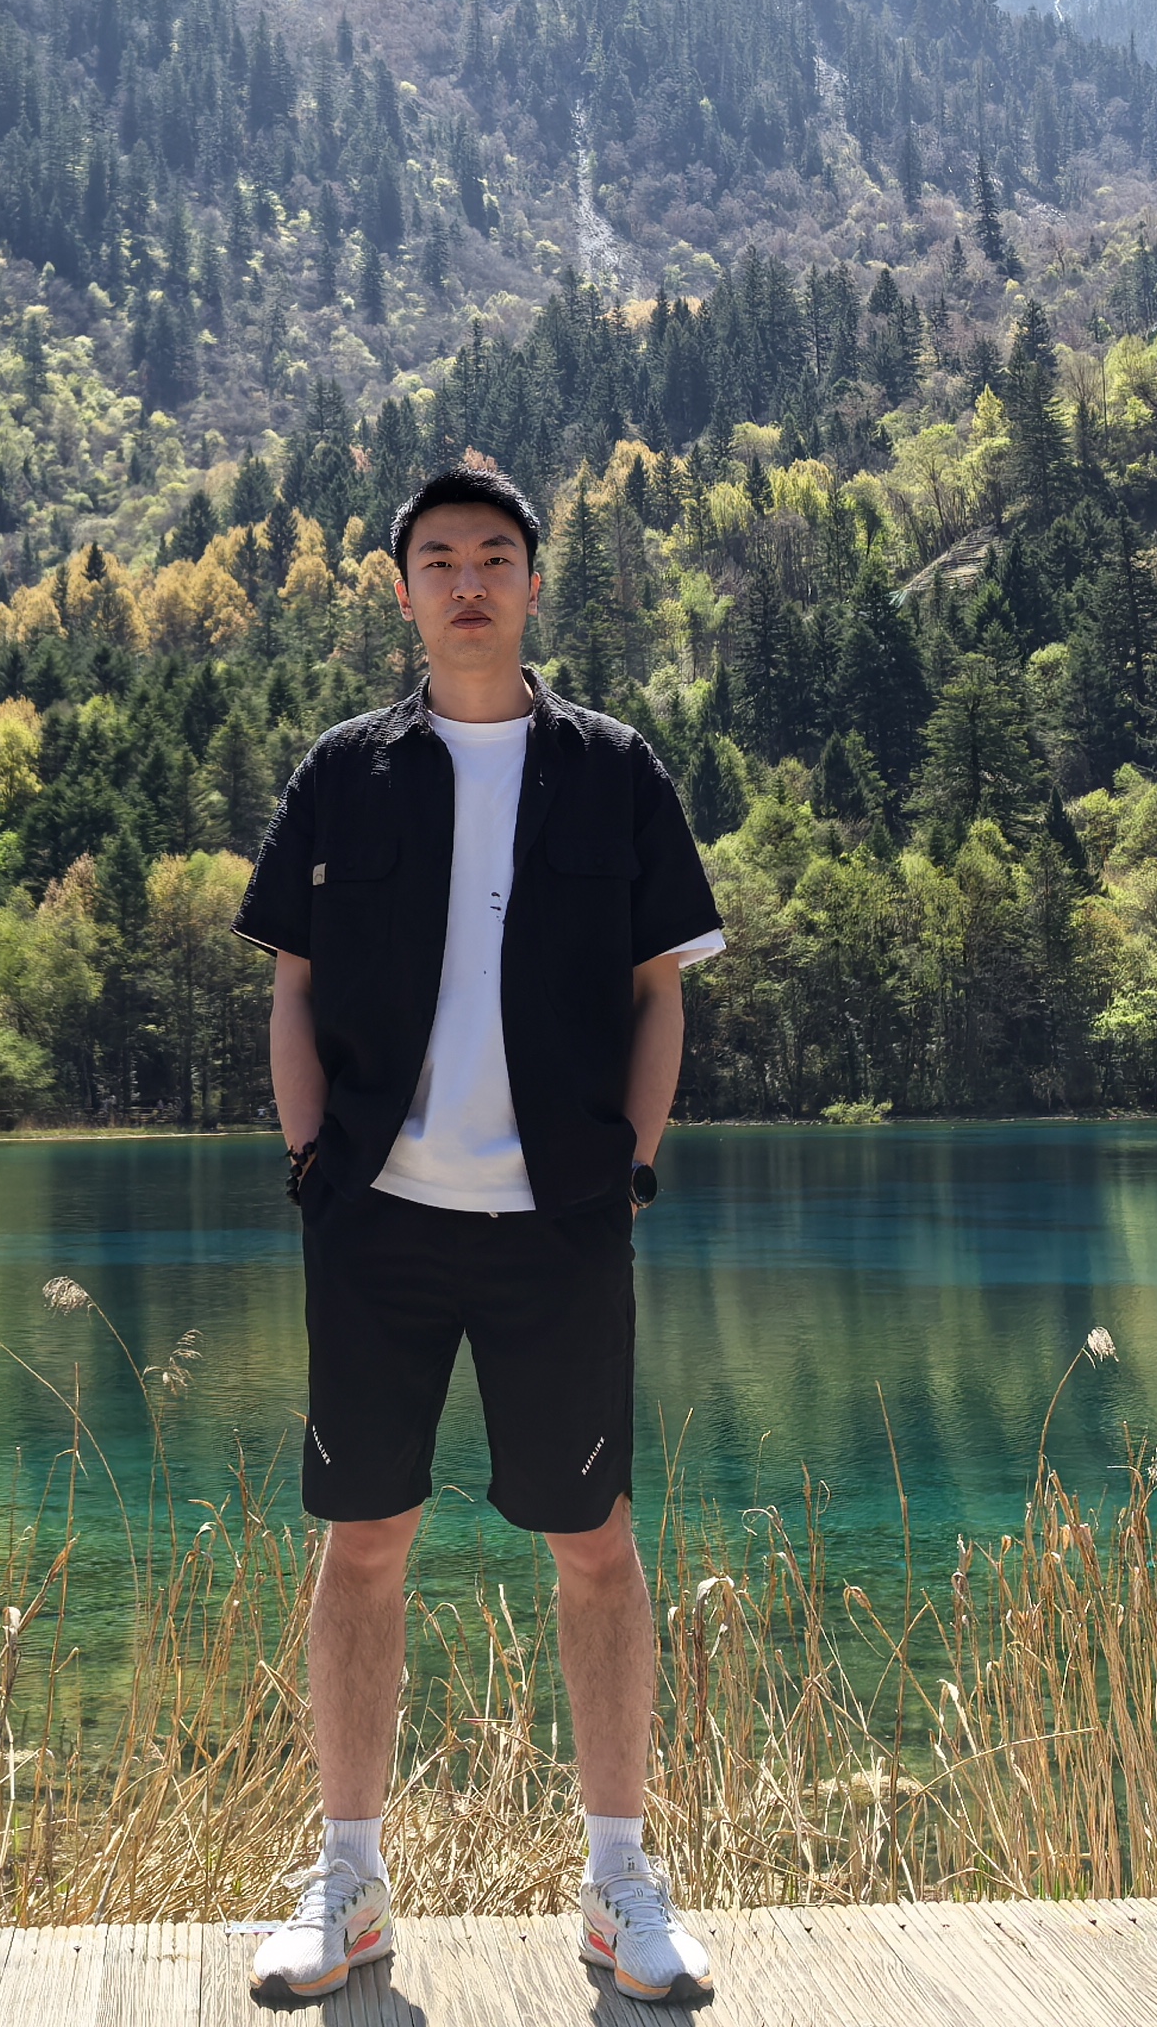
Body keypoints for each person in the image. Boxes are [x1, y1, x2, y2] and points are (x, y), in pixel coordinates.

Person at [232, 455, 725, 2008]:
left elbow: (661, 992)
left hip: (558, 1226)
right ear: (402, 592)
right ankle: (350, 1887)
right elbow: (293, 986)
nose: (466, 580)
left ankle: (619, 1887)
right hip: (375, 1222)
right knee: (363, 1543)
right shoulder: (345, 774)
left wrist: (624, 1173)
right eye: (438, 558)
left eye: (493, 556)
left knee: (598, 1550)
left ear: (531, 582)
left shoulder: (615, 770)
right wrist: (314, 1165)